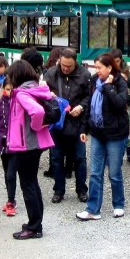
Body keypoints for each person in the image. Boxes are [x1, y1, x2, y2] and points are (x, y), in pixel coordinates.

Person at [4, 60, 56, 240]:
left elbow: (37, 112)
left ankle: (34, 227)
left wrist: (35, 126)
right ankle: (36, 223)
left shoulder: (21, 93)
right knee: (32, 182)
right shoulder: (35, 88)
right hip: (36, 144)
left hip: (26, 144)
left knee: (28, 185)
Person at [76, 52, 129, 221]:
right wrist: (84, 129)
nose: (97, 70)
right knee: (95, 173)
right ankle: (93, 209)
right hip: (98, 132)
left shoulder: (120, 82)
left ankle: (118, 204)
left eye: (100, 67)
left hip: (115, 134)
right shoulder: (93, 81)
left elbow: (121, 104)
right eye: (95, 67)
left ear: (109, 68)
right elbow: (90, 106)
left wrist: (108, 87)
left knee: (114, 172)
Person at [43, 49, 91, 203]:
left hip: (78, 122)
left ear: (75, 62)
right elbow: (42, 94)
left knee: (80, 158)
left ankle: (81, 189)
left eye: (69, 66)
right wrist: (49, 97)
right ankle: (58, 190)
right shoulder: (51, 73)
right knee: (56, 158)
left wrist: (81, 107)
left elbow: (89, 96)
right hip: (57, 122)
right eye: (63, 65)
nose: (65, 68)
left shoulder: (85, 75)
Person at [0, 63, 18, 218]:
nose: (10, 92)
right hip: (3, 143)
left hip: (15, 145)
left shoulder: (19, 103)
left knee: (11, 174)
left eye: (12, 89)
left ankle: (11, 201)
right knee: (6, 171)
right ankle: (10, 198)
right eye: (7, 89)